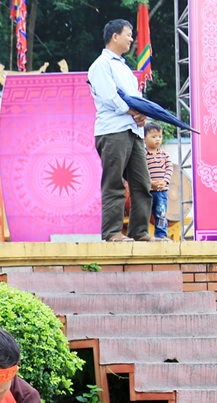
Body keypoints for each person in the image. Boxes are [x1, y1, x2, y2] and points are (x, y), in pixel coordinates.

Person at [88, 19, 153, 242]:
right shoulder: (100, 65)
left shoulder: (124, 67)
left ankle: (140, 231)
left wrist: (141, 114)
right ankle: (112, 233)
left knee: (142, 183)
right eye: (128, 34)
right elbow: (109, 97)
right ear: (115, 36)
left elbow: (136, 98)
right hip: (113, 130)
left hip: (133, 130)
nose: (131, 38)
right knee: (114, 183)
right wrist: (133, 111)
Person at [144, 122, 175, 240]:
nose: (157, 139)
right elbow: (142, 171)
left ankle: (161, 235)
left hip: (162, 191)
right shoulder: (143, 154)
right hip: (147, 191)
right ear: (144, 139)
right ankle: (144, 234)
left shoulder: (164, 154)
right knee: (145, 214)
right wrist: (150, 182)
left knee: (161, 213)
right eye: (153, 136)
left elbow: (169, 168)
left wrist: (165, 181)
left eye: (159, 136)